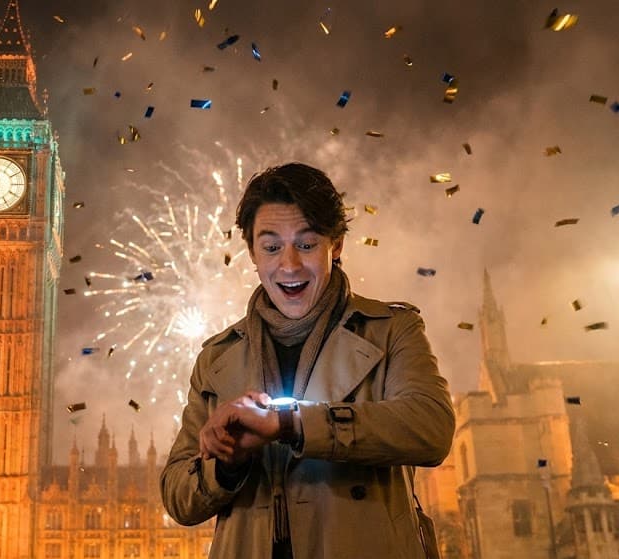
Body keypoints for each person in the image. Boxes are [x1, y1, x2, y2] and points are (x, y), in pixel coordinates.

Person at [161, 162, 455, 559]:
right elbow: (178, 496)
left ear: (336, 246)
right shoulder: (217, 357)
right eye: (271, 247)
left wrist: (292, 423)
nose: (289, 265)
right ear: (251, 253)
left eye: (306, 243)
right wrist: (227, 463)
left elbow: (430, 427)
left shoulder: (391, 331)